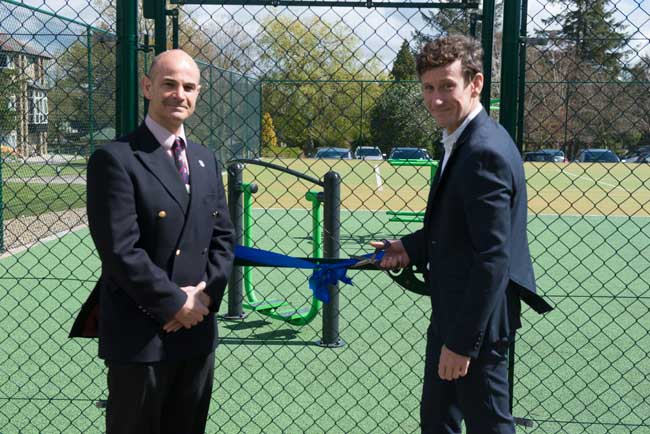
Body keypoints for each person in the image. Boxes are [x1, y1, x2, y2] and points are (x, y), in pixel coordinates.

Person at [371, 35, 552, 434]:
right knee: (437, 420)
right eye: (428, 87)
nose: (435, 99)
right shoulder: (461, 139)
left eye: (447, 86)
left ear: (475, 83)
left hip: (477, 322)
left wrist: (461, 343)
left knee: (488, 424)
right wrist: (408, 247)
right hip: (454, 311)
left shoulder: (483, 150)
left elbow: (493, 256)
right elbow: (456, 228)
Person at [69, 49, 235, 434]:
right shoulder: (116, 159)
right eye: (169, 84)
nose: (180, 94)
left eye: (189, 87)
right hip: (141, 336)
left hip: (196, 333)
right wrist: (176, 303)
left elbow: (224, 237)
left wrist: (205, 298)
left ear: (198, 93)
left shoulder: (206, 159)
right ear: (147, 87)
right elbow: (120, 250)